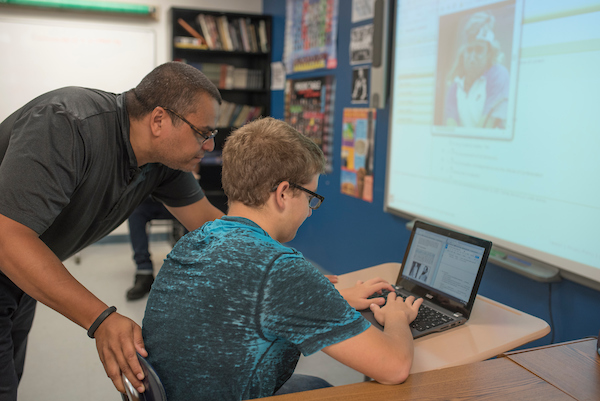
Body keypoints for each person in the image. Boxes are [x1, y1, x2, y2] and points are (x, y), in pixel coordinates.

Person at [142, 117, 423, 400]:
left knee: (315, 385)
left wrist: (325, 296)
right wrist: (397, 318)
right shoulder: (278, 268)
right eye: (311, 197)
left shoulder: (195, 240)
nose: (310, 210)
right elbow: (394, 367)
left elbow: (235, 299)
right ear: (284, 193)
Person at [0, 61, 225, 400]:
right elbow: (6, 237)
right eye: (203, 133)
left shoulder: (161, 163)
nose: (209, 146)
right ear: (159, 120)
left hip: (20, 276)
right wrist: (101, 318)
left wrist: (284, 268)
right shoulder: (66, 123)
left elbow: (214, 228)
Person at [443, 11, 510, 128]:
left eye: (479, 50)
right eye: (469, 50)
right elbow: (451, 127)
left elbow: (485, 129)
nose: (472, 57)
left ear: (489, 53)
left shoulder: (499, 75)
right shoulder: (455, 86)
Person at [125, 196, 182, 301]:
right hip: (150, 201)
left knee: (192, 212)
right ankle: (144, 271)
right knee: (135, 212)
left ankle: (188, 269)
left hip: (178, 200)